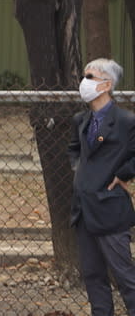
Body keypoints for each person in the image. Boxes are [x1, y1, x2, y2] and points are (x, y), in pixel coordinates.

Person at [68, 58, 135, 316]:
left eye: (90, 77)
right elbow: (74, 149)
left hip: (109, 208)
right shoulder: (80, 120)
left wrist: (123, 174)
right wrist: (80, 172)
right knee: (93, 277)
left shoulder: (126, 121)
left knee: (125, 276)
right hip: (83, 210)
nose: (84, 82)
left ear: (107, 84)